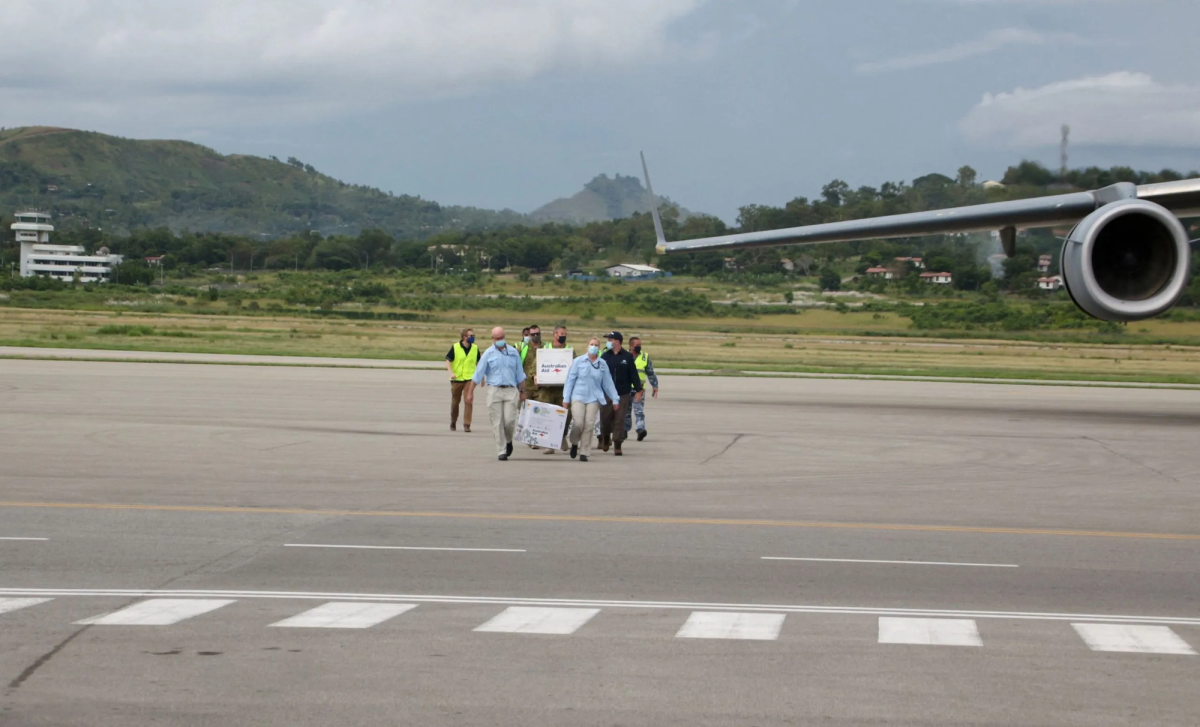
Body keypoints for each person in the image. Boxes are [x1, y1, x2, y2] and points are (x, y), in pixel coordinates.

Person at [466, 326, 527, 460]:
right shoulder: (488, 354)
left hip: (511, 390)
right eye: (497, 338)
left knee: (510, 421)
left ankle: (509, 440)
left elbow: (520, 374)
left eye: (501, 338)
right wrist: (470, 393)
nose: (499, 340)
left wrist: (523, 391)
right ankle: (501, 450)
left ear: (504, 337)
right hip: (494, 390)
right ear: (493, 339)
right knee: (497, 422)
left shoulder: (513, 352)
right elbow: (477, 374)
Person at [562, 338, 619, 463]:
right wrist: (566, 398)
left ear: (599, 347)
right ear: (587, 346)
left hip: (594, 397)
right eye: (591, 344)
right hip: (578, 396)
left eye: (596, 345)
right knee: (578, 423)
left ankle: (584, 452)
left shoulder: (602, 364)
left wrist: (615, 399)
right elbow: (570, 380)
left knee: (589, 425)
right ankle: (575, 442)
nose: (594, 347)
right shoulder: (578, 361)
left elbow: (608, 383)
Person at [599, 331, 643, 456]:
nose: (608, 342)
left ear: (617, 341)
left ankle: (618, 444)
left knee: (620, 419)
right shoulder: (605, 356)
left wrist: (638, 390)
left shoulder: (627, 356)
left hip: (623, 393)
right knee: (605, 418)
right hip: (607, 393)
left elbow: (633, 374)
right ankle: (606, 437)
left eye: (610, 339)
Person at [444, 328, 480, 432]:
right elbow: (448, 360)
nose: (473, 337)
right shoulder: (455, 347)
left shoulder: (475, 348)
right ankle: (453, 420)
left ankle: (467, 424)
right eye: (471, 336)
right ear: (464, 337)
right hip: (457, 378)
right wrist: (451, 372)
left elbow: (479, 363)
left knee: (468, 400)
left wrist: (480, 376)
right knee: (455, 402)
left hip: (470, 378)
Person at [624, 336, 659, 441]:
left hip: (639, 389)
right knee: (626, 411)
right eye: (637, 345)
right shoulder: (624, 356)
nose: (639, 347)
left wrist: (655, 385)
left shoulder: (645, 357)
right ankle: (624, 430)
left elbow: (650, 372)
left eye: (640, 345)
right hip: (625, 389)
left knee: (638, 410)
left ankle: (640, 430)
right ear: (631, 346)